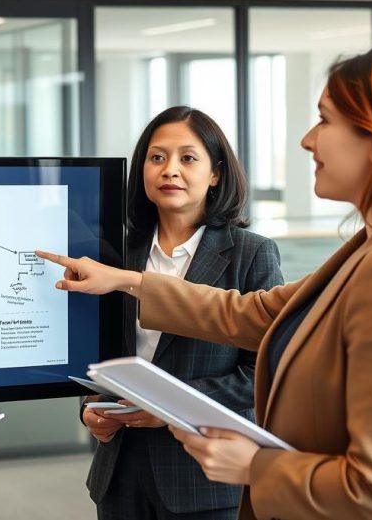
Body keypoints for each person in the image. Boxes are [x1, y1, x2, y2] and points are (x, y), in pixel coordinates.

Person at [39, 42, 372, 519]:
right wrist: (129, 280)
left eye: (325, 120)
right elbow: (254, 312)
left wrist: (256, 466)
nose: (307, 140)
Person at [82, 106, 282, 520]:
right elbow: (94, 356)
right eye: (157, 157)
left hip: (203, 475)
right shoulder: (115, 253)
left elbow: (265, 370)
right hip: (120, 470)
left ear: (216, 174)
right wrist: (91, 408)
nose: (169, 170)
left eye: (188, 158)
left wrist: (173, 407)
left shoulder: (251, 254)